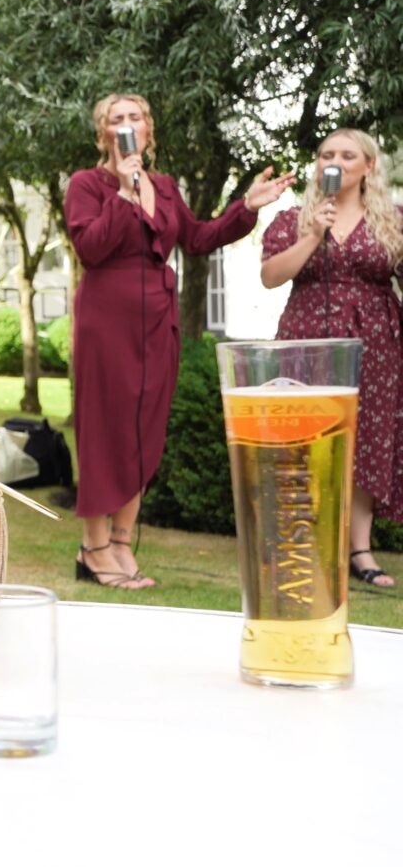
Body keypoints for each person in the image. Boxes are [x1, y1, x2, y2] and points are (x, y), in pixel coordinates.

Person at [63, 93, 293, 588]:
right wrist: (124, 194)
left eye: (136, 118)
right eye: (115, 119)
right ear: (103, 133)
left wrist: (245, 208)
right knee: (105, 429)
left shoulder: (165, 186)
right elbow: (90, 248)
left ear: (149, 130)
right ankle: (93, 548)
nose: (126, 126)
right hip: (106, 317)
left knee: (146, 429)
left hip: (157, 318)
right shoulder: (88, 184)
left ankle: (122, 543)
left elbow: (198, 238)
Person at [260, 128, 403, 588]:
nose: (333, 161)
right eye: (325, 155)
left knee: (368, 440)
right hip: (306, 335)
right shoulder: (293, 218)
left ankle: (360, 550)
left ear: (369, 166)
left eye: (346, 154)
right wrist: (312, 236)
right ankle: (305, 542)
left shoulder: (393, 220)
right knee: (304, 439)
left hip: (377, 340)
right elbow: (269, 276)